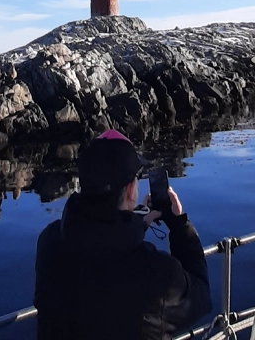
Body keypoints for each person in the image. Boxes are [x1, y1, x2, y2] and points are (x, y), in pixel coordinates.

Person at [34, 130, 211, 340]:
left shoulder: (50, 243)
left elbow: (97, 241)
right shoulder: (158, 275)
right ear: (129, 191)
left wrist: (136, 221)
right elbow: (201, 296)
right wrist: (180, 226)